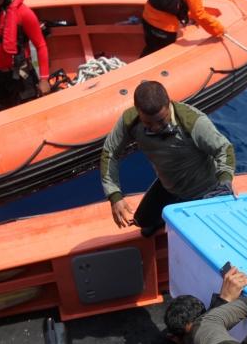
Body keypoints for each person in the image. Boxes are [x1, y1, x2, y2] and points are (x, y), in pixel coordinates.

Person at [100, 80, 235, 236]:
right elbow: (110, 152)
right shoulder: (130, 120)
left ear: (169, 104)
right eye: (148, 124)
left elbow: (224, 149)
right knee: (143, 222)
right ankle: (165, 216)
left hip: (205, 190)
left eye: (161, 121)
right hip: (170, 186)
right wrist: (114, 196)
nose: (156, 128)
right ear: (138, 111)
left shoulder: (193, 122)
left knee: (195, 236)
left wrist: (225, 182)